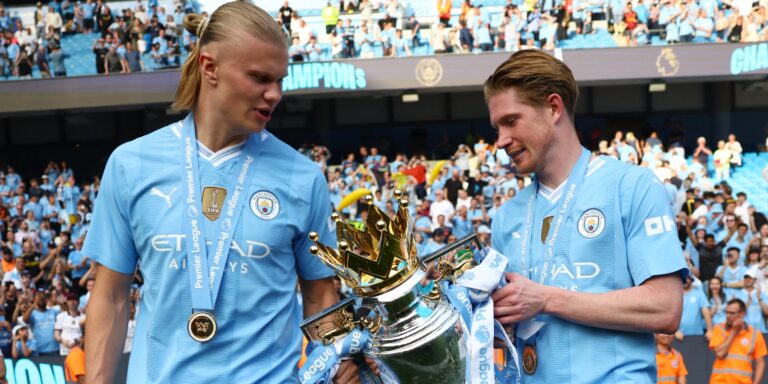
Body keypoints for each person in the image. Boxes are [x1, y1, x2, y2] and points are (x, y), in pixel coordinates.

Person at [83, 3, 359, 383]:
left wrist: (339, 356)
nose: (275, 94)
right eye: (260, 78)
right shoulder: (131, 164)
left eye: (280, 80)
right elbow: (111, 297)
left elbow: (320, 294)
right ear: (210, 67)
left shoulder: (303, 176)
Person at [487, 50, 686, 382]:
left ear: (553, 108)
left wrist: (546, 299)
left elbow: (666, 308)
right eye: (497, 127)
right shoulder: (506, 216)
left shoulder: (632, 186)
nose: (501, 141)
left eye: (511, 121)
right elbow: (507, 326)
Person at [710, 298, 767, 383]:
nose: (728, 316)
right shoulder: (719, 329)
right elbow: (720, 354)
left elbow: (760, 362)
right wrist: (733, 332)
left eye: (732, 313)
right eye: (726, 312)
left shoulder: (755, 334)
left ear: (742, 314)